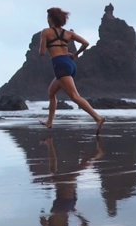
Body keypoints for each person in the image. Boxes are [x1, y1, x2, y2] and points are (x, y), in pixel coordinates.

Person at [39, 7, 105, 135]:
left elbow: (41, 53)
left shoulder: (46, 32)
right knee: (51, 93)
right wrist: (75, 55)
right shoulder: (68, 33)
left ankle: (98, 118)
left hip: (60, 65)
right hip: (70, 64)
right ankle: (49, 122)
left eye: (48, 17)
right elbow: (86, 43)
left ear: (51, 19)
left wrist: (47, 45)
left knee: (74, 96)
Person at [39, 136, 104, 226]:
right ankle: (96, 155)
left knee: (58, 173)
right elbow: (42, 216)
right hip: (62, 205)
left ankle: (50, 143)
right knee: (71, 174)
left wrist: (76, 213)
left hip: (67, 203)